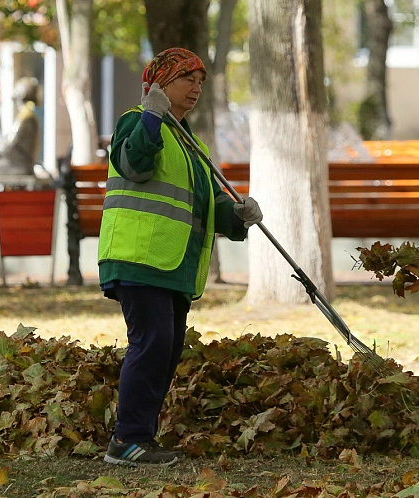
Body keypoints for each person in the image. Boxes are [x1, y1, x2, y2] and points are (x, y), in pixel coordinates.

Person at [97, 47, 263, 466]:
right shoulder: (136, 122)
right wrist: (151, 115)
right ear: (160, 82)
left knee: (165, 350)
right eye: (188, 78)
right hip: (139, 258)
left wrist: (238, 215)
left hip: (173, 265)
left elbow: (203, 205)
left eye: (201, 82)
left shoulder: (188, 142)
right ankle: (127, 441)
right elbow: (135, 165)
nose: (197, 88)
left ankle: (139, 440)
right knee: (151, 345)